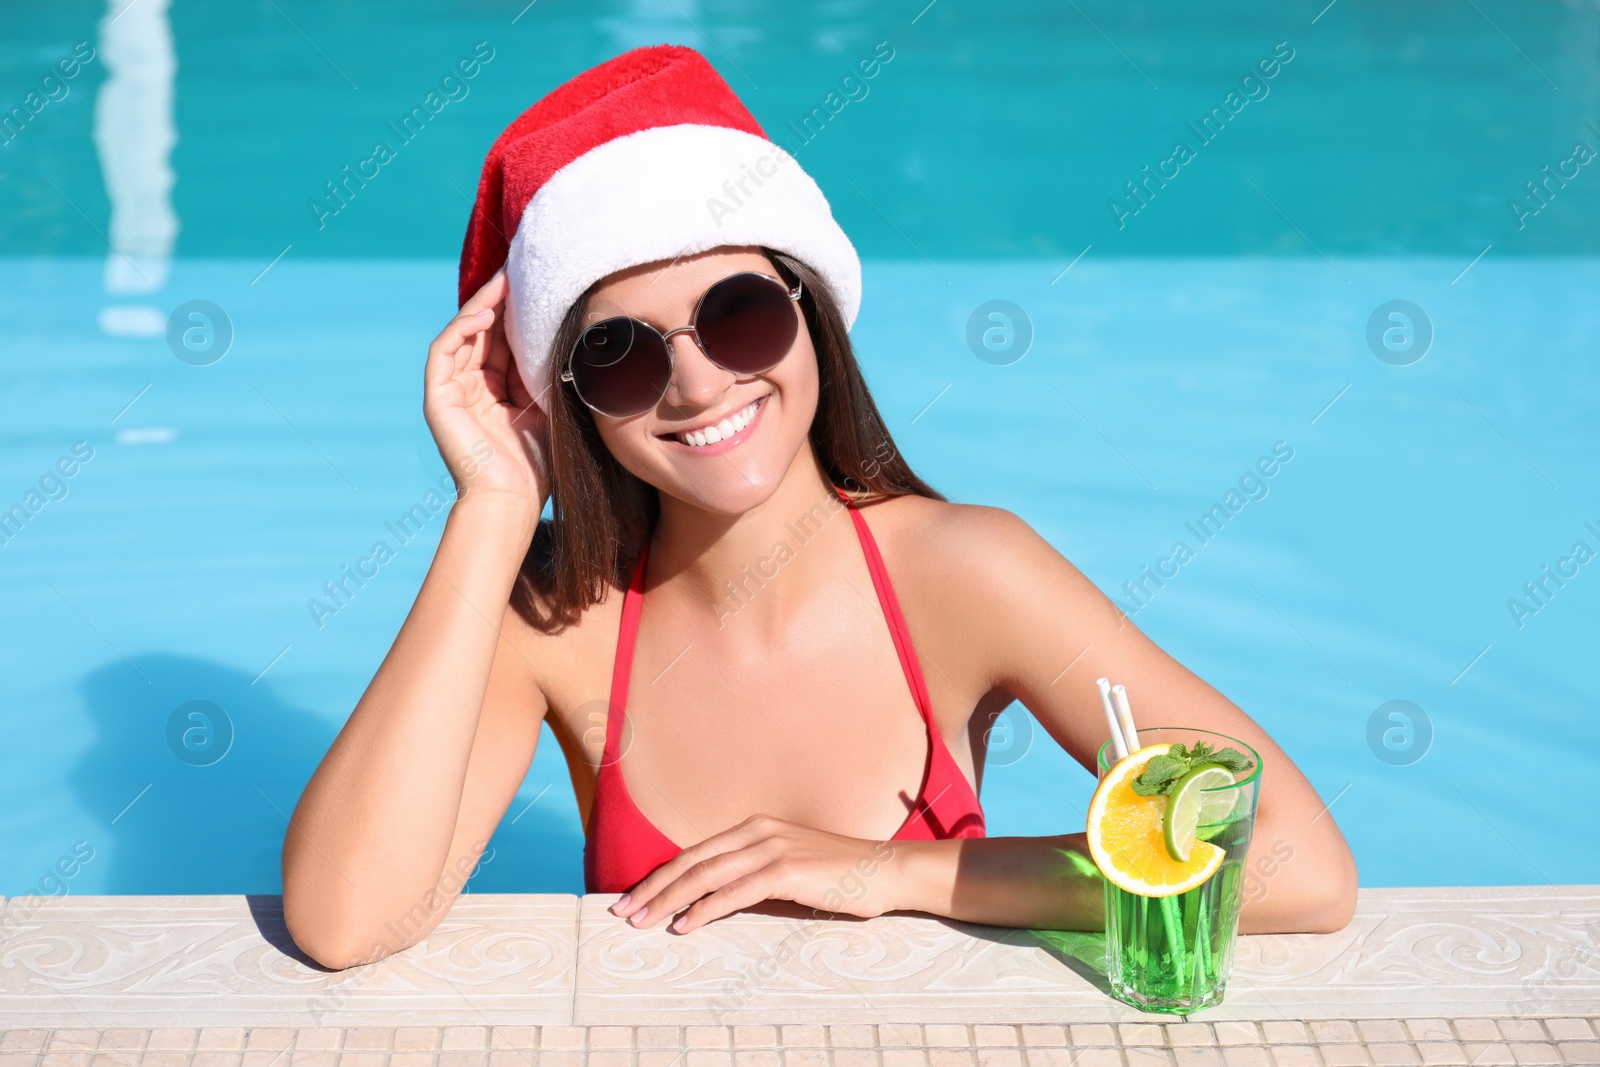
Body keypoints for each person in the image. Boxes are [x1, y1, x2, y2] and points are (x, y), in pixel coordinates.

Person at [281, 45, 1357, 971]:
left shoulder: (963, 571)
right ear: (568, 403)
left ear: (811, 317)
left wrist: (899, 872)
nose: (697, 385)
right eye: (617, 353)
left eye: (737, 315)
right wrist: (495, 504)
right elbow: (346, 919)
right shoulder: (561, 619)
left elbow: (1294, 866)